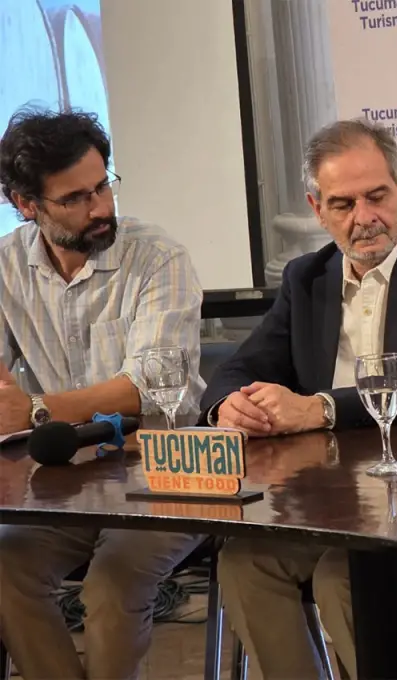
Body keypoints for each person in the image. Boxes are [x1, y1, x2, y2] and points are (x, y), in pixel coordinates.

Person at [206, 118, 397, 680]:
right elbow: (239, 367)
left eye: (377, 197)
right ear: (317, 209)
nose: (364, 218)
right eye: (343, 204)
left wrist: (318, 408)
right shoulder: (305, 277)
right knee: (246, 563)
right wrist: (228, 406)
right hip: (327, 500)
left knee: (347, 576)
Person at [0, 108, 206, 679]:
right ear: (26, 204)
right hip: (64, 483)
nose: (99, 208)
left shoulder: (157, 257)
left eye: (103, 186)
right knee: (4, 564)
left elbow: (144, 390)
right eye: (76, 198)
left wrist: (36, 410)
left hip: (166, 473)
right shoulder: (5, 266)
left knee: (112, 583)